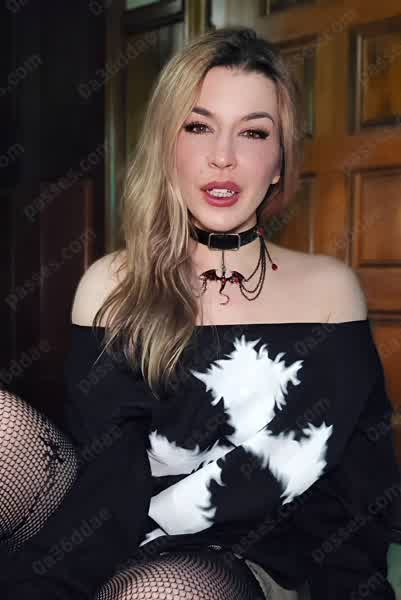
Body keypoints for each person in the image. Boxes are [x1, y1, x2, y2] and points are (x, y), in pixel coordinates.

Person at [1, 26, 400, 600]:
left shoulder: (329, 291)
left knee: (160, 593)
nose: (223, 157)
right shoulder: (110, 283)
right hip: (112, 523)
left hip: (246, 552)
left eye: (254, 132)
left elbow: (354, 485)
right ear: (168, 146)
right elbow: (107, 473)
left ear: (280, 162)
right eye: (198, 126)